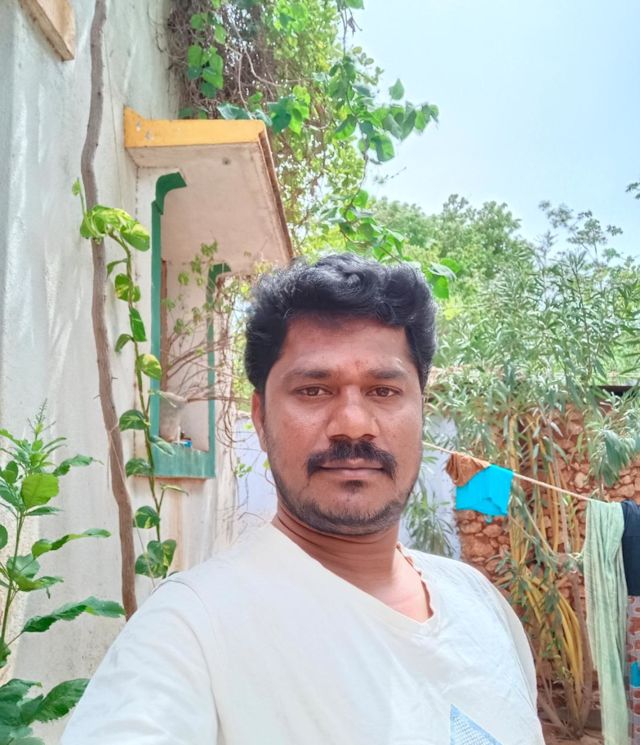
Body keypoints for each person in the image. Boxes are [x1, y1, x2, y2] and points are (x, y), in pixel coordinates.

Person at [62, 253, 544, 744]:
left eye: (383, 390)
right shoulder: (190, 632)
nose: (353, 424)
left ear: (422, 408)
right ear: (260, 417)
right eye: (314, 390)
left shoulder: (480, 603)